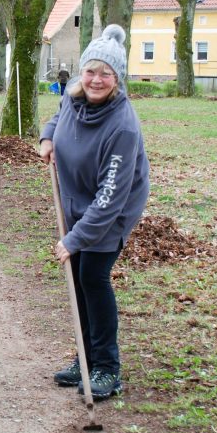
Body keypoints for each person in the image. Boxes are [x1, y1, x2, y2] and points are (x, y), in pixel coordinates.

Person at [38, 24, 149, 400]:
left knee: (92, 277)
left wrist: (74, 239)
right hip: (76, 199)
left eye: (106, 73)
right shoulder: (73, 96)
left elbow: (110, 197)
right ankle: (84, 358)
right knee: (80, 277)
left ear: (117, 79)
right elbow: (59, 116)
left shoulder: (123, 127)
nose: (96, 80)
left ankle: (105, 368)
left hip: (110, 210)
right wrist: (48, 136)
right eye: (90, 71)